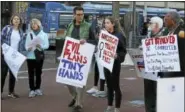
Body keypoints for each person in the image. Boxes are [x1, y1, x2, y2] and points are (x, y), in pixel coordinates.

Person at [64, 6, 95, 112]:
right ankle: (75, 96)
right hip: (70, 56)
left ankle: (78, 103)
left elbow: (94, 41)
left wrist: (86, 42)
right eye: (78, 14)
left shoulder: (89, 26)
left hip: (83, 57)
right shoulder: (70, 26)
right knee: (67, 80)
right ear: (74, 15)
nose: (80, 16)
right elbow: (66, 40)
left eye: (82, 14)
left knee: (80, 81)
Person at [102, 16, 127, 112]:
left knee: (115, 85)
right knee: (108, 85)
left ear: (113, 24)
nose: (106, 24)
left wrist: (118, 56)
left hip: (115, 63)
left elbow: (123, 51)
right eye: (105, 23)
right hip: (106, 62)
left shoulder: (119, 35)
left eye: (108, 22)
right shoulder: (104, 34)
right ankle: (109, 105)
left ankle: (117, 108)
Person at [1, 13, 26, 98]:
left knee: (13, 75)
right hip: (5, 54)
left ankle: (11, 92)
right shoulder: (7, 28)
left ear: (20, 21)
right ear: (11, 20)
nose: (16, 20)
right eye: (14, 19)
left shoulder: (21, 31)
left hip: (15, 56)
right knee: (3, 74)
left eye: (18, 19)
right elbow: (1, 39)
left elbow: (21, 45)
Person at [143, 16, 164, 112]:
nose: (149, 25)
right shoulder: (148, 35)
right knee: (148, 92)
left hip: (159, 70)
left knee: (158, 92)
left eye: (151, 23)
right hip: (148, 69)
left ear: (157, 25)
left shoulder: (164, 36)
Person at [25, 18, 49, 98]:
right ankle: (32, 90)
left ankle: (38, 88)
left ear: (38, 25)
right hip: (30, 56)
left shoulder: (44, 34)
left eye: (35, 24)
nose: (33, 25)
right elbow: (26, 45)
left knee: (38, 73)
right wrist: (28, 48)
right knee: (31, 74)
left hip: (39, 56)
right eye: (32, 24)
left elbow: (47, 45)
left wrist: (41, 46)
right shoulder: (29, 34)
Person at [86, 16, 107, 98]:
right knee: (96, 69)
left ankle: (102, 89)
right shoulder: (95, 28)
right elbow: (93, 38)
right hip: (96, 50)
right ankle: (95, 87)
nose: (99, 22)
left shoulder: (105, 30)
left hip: (102, 52)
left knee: (102, 71)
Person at [160, 11, 185, 78]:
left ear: (173, 21)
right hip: (167, 66)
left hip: (178, 69)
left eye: (166, 19)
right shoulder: (166, 32)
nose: (164, 21)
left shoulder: (181, 32)